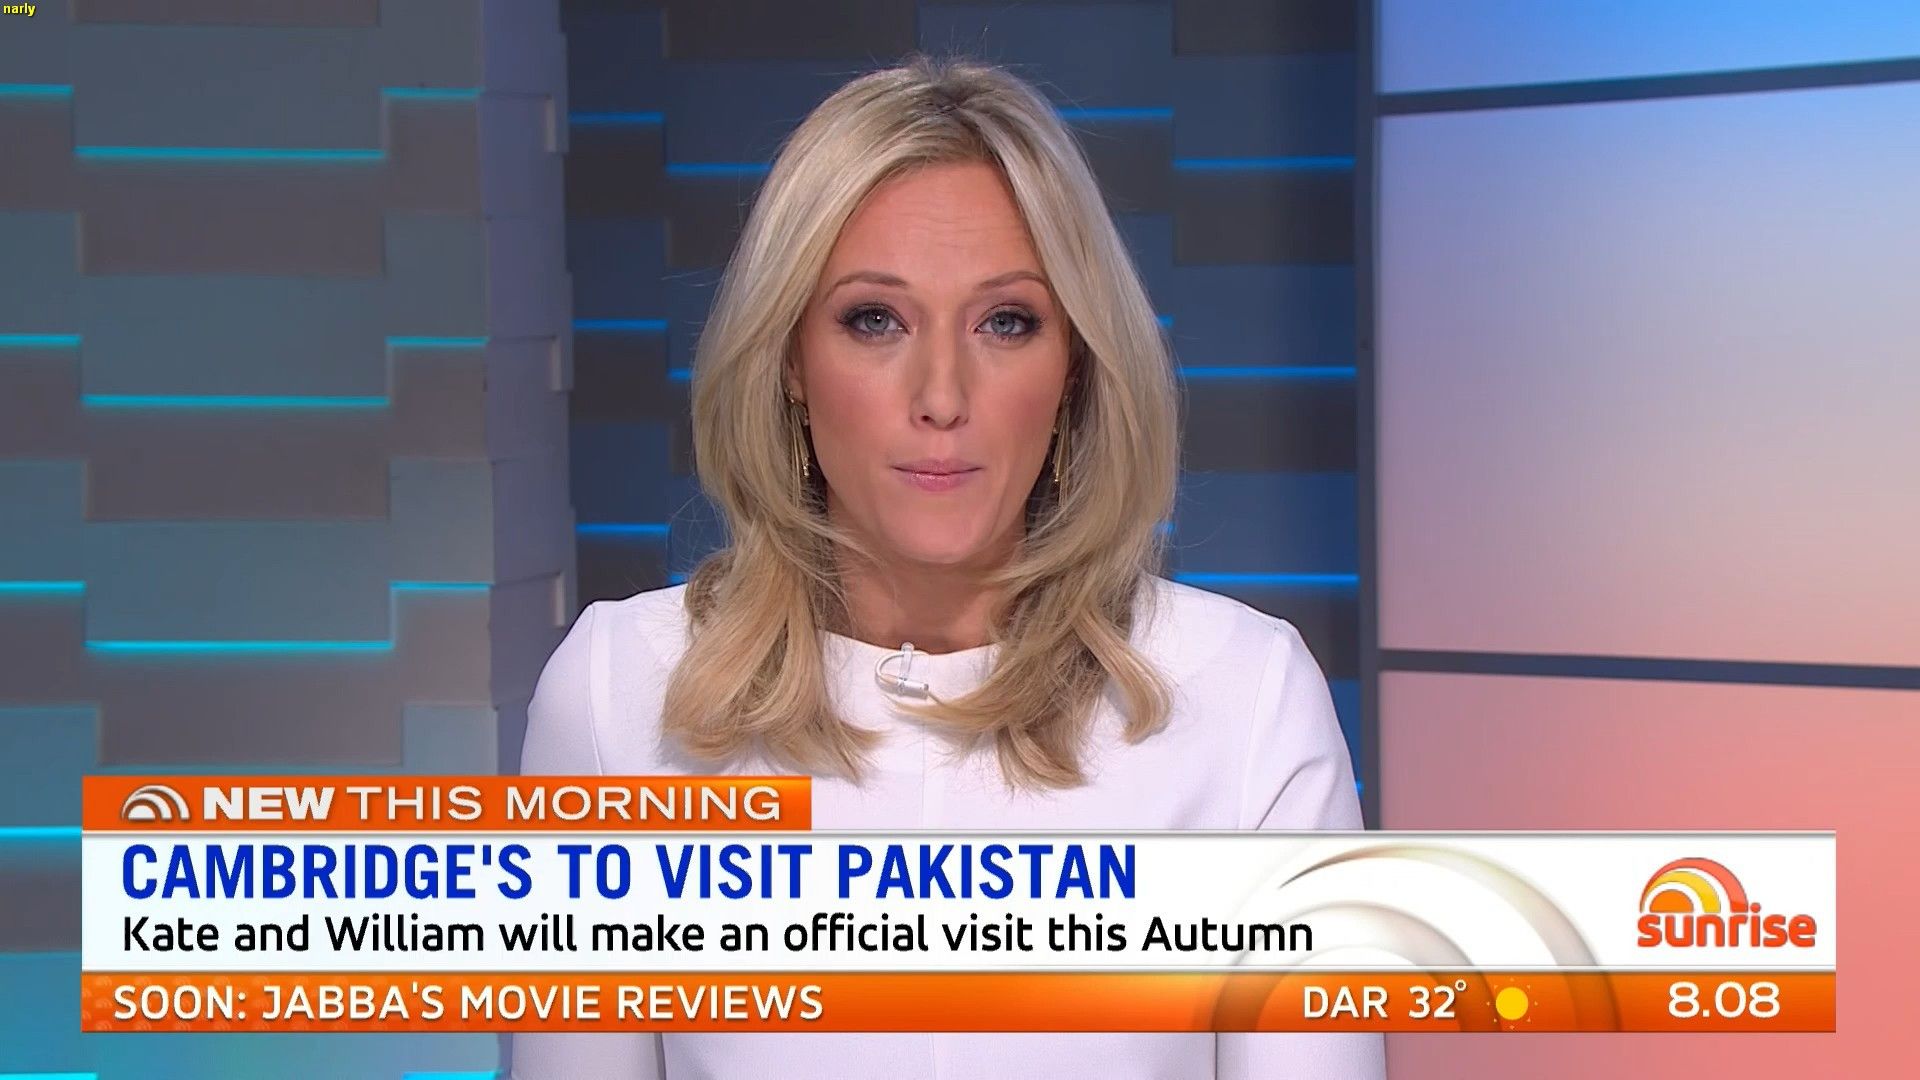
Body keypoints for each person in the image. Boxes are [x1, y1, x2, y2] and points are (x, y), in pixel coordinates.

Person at [512, 53, 1383, 1080]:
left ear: (1073, 365)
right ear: (790, 360)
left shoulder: (1245, 702)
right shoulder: (619, 695)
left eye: (1005, 322)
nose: (941, 396)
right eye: (874, 320)